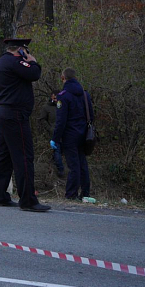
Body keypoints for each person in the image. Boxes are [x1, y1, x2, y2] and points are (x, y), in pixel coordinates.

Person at [0, 38, 50, 212]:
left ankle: (0, 195)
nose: (28, 53)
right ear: (21, 50)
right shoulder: (15, 62)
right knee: (24, 156)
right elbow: (34, 74)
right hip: (15, 114)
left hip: (2, 112)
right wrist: (33, 62)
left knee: (5, 155)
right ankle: (28, 200)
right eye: (26, 50)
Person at [51, 67, 94, 201]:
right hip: (84, 134)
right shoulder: (85, 94)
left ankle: (71, 194)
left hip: (70, 135)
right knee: (82, 164)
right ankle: (85, 193)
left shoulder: (63, 96)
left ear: (63, 78)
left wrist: (55, 138)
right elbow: (91, 116)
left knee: (73, 165)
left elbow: (61, 120)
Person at [38, 93, 64, 178]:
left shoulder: (62, 105)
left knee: (61, 150)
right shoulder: (46, 107)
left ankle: (59, 166)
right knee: (57, 150)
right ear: (51, 96)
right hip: (54, 132)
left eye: (57, 97)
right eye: (54, 96)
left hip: (65, 131)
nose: (56, 98)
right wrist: (50, 129)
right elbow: (42, 119)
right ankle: (61, 170)